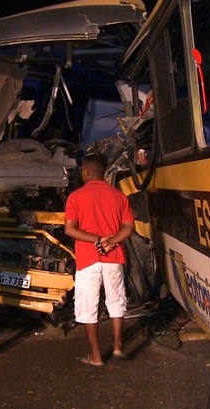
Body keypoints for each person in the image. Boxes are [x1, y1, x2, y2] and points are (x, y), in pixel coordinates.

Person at [64, 152, 135, 366]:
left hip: (88, 259)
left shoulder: (76, 196)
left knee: (88, 306)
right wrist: (111, 241)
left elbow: (70, 229)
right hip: (113, 257)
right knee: (116, 301)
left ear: (86, 172)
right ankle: (117, 345)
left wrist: (96, 240)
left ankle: (96, 356)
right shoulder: (118, 196)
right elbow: (129, 227)